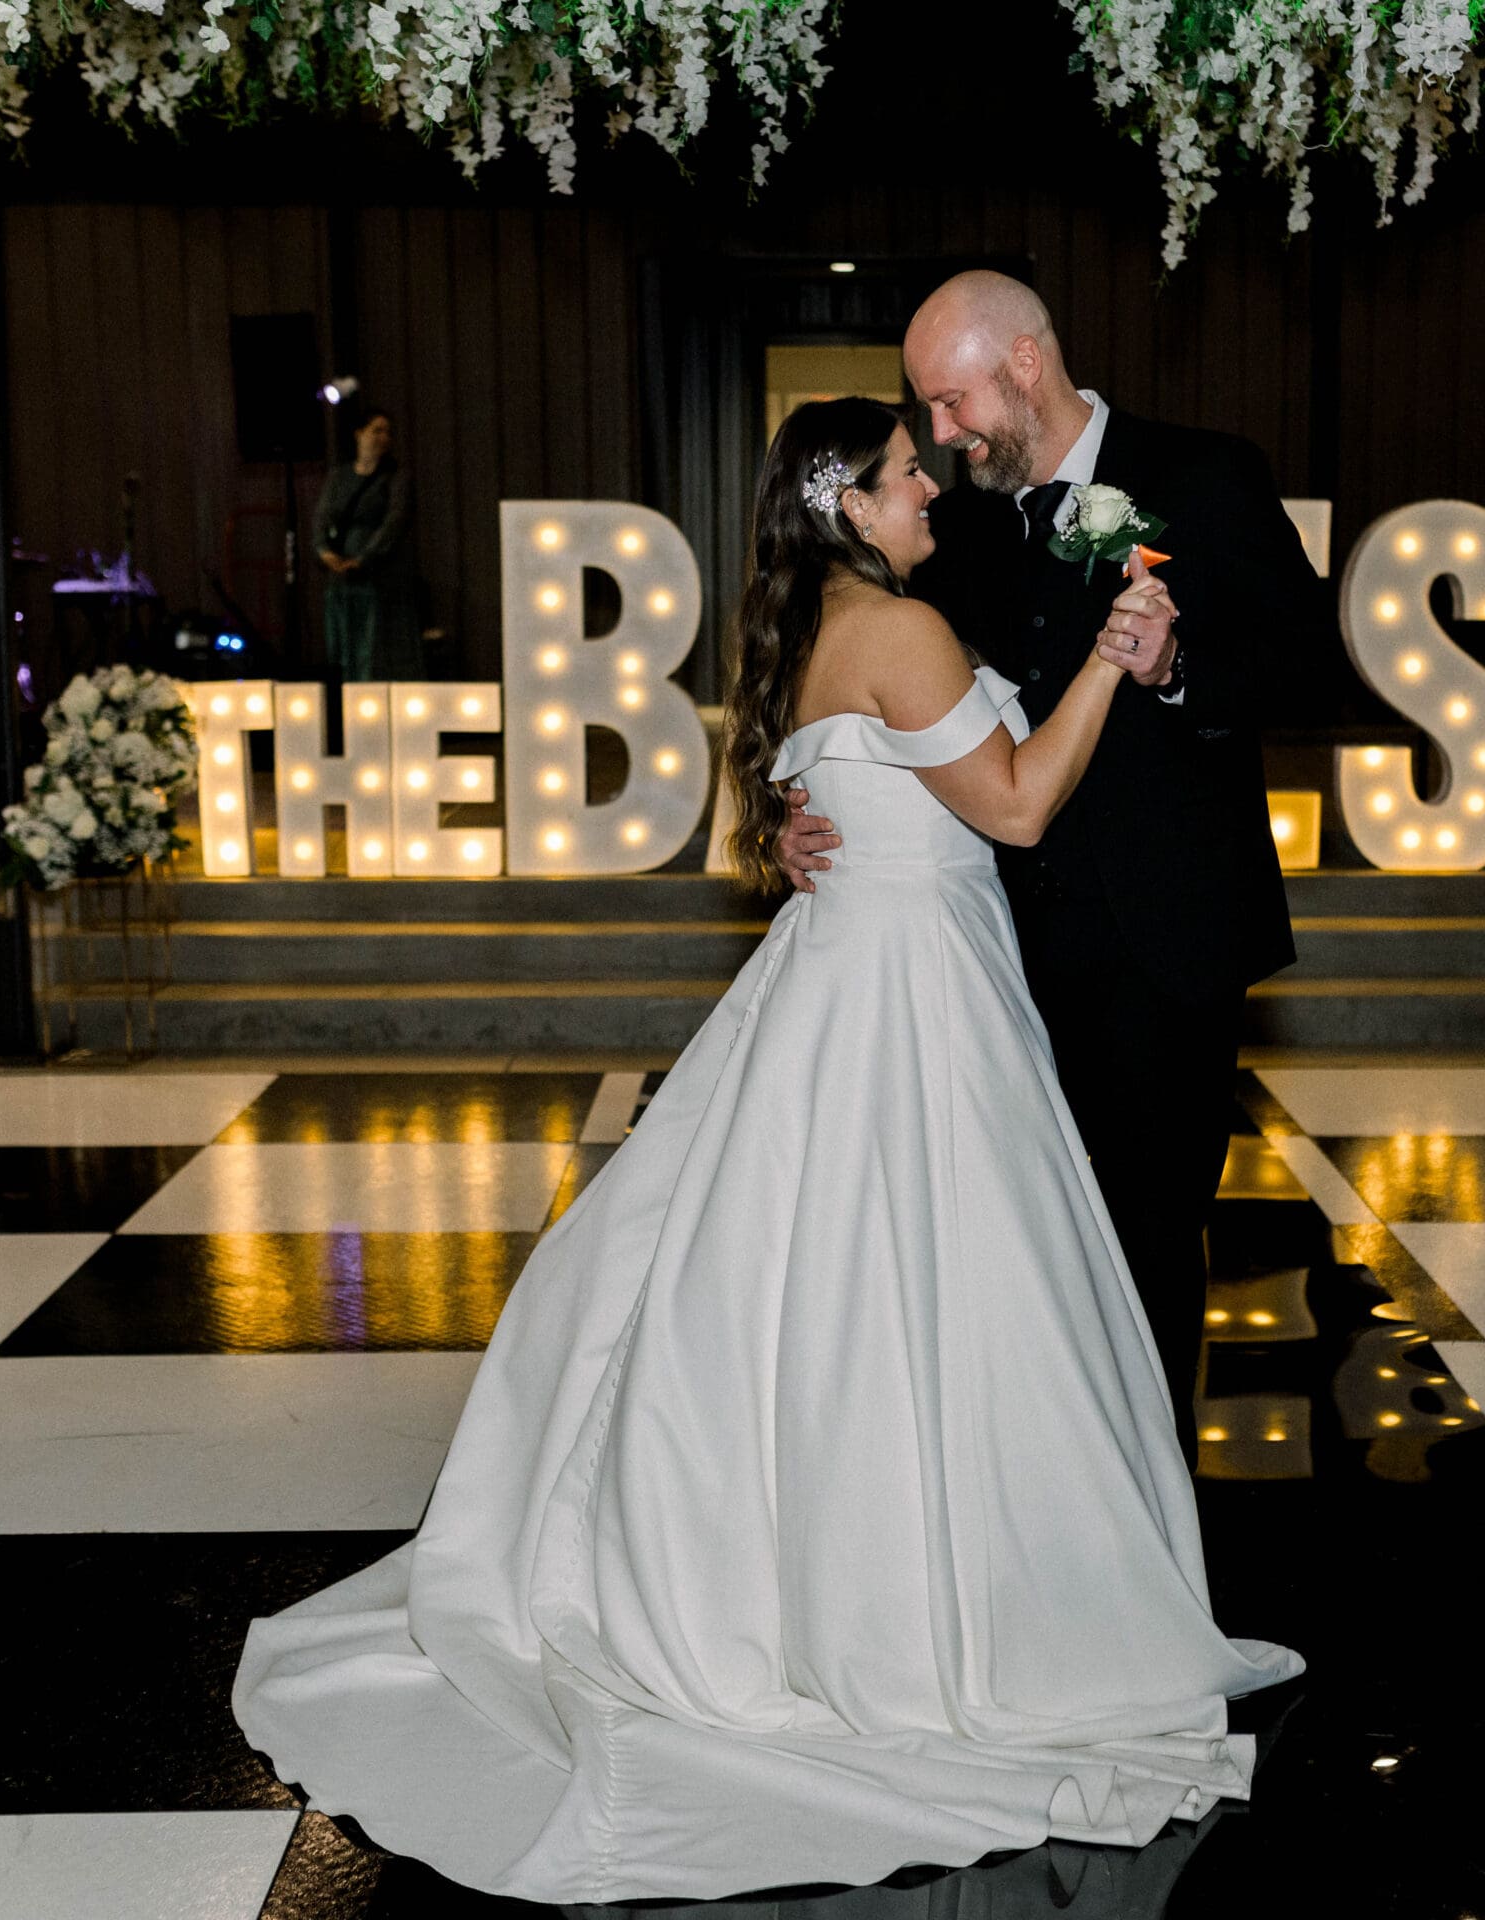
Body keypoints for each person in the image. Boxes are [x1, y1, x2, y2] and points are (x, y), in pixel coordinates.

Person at [234, 397, 1301, 1904]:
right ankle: (934, 1614)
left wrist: (807, 810)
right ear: (848, 502)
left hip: (851, 974)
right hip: (914, 997)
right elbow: (1017, 800)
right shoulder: (898, 630)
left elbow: (833, 783)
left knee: (818, 1299)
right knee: (926, 1296)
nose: (930, 480)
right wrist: (1123, 665)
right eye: (905, 471)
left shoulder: (813, 616)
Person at [781, 272, 1322, 1457]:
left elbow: (1306, 667)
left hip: (1161, 949)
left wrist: (1179, 666)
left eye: (953, 400)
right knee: (1009, 1253)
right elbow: (859, 693)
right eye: (929, 415)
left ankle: (1150, 1514)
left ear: (1024, 364)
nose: (944, 433)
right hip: (989, 956)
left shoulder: (1206, 475)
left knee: (1147, 1245)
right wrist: (804, 806)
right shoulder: (953, 524)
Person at [312, 406, 417, 682]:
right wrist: (325, 551)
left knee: (374, 643)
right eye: (376, 431)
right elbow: (322, 517)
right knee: (343, 643)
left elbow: (395, 521)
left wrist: (364, 558)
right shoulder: (339, 477)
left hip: (377, 573)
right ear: (359, 434)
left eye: (387, 432)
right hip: (341, 573)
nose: (383, 437)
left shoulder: (395, 477)